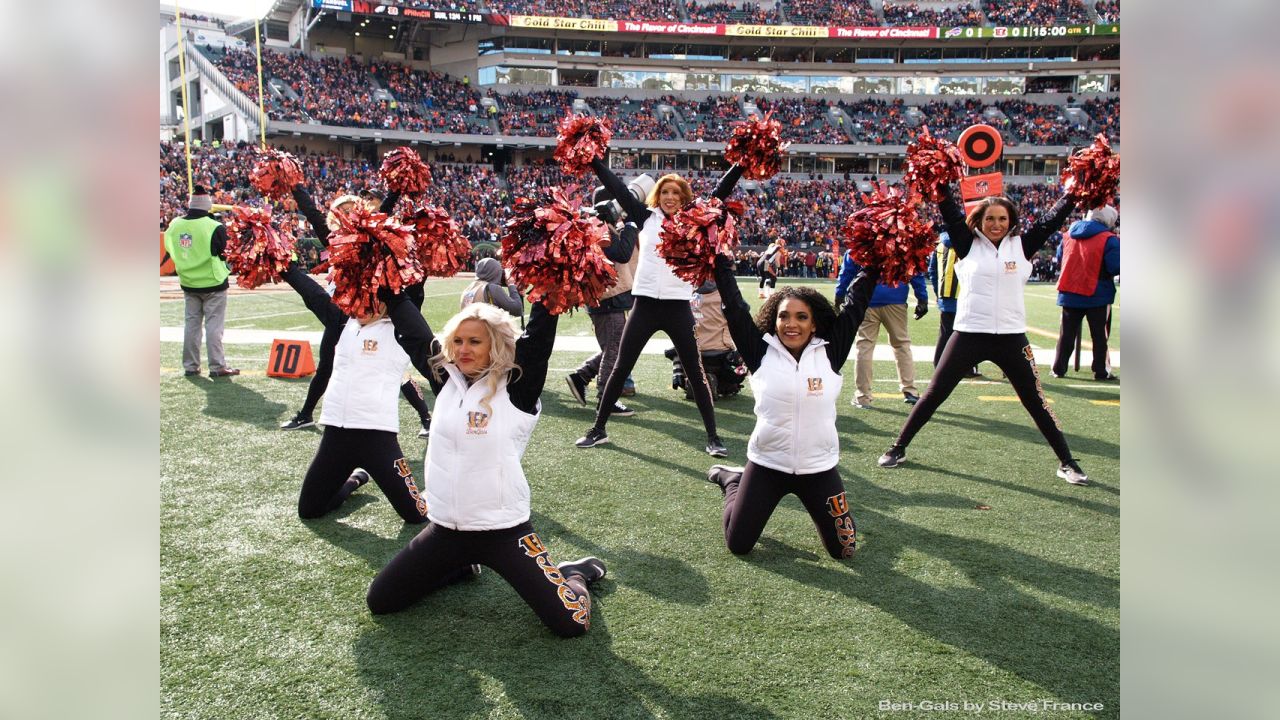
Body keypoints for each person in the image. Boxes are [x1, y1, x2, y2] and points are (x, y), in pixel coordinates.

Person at [366, 294, 607, 638]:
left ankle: (575, 574)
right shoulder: (445, 379)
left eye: (475, 341)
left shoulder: (517, 388)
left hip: (503, 531)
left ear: (495, 345)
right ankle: (457, 567)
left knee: (571, 624)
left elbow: (539, 334)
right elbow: (412, 326)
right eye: (458, 341)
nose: (463, 349)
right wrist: (383, 277)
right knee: (382, 600)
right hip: (445, 530)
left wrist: (551, 283)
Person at [876, 186, 1092, 486]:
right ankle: (898, 447)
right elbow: (951, 215)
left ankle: (1067, 462)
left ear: (1011, 221)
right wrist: (938, 186)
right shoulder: (966, 244)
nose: (996, 224)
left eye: (1002, 219)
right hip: (968, 333)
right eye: (990, 218)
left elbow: (1050, 221)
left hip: (1012, 337)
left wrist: (1072, 194)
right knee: (934, 394)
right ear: (979, 221)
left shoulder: (1022, 246)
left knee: (1036, 401)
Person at [703, 252, 876, 558]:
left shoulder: (830, 351)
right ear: (774, 318)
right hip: (768, 463)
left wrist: (875, 259)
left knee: (845, 550)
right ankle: (733, 480)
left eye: (801, 317)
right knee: (738, 544)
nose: (791, 324)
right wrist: (718, 260)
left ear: (814, 323)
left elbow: (856, 303)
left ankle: (738, 481)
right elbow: (734, 306)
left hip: (818, 468)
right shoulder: (760, 351)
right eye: (784, 316)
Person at [574, 157, 744, 457]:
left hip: (678, 307)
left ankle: (714, 438)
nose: (669, 198)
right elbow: (617, 187)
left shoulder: (695, 220)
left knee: (695, 371)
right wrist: (595, 161)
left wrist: (741, 165)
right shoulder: (645, 217)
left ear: (684, 198)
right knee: (621, 366)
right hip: (645, 305)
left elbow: (720, 191)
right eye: (665, 193)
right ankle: (597, 429)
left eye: (676, 194)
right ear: (658, 196)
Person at [278, 261, 431, 524]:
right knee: (310, 509)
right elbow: (312, 293)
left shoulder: (400, 329)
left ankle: (440, 496)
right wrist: (283, 266)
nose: (357, 304)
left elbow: (412, 289)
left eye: (366, 298)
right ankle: (354, 481)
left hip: (378, 439)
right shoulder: (342, 323)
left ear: (384, 300)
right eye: (355, 297)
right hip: (335, 435)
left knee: (416, 515)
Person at [279, 184, 434, 437]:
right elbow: (313, 214)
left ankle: (426, 418)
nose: (348, 214)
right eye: (342, 211)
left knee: (398, 371)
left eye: (352, 210)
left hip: (378, 312)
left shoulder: (368, 235)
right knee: (327, 365)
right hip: (344, 313)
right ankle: (306, 414)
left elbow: (383, 212)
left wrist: (394, 189)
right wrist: (295, 187)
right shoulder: (333, 239)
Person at [566, 213, 641, 417]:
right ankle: (606, 399)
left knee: (615, 348)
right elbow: (622, 253)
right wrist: (631, 225)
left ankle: (582, 376)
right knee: (615, 350)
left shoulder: (594, 224)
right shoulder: (599, 226)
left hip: (605, 297)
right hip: (608, 298)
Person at [834, 251, 929, 407]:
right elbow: (914, 269)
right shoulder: (901, 240)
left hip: (866, 300)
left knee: (864, 347)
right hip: (896, 298)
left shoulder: (861, 239)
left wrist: (839, 295)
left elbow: (847, 271)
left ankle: (863, 396)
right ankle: (910, 390)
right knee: (901, 345)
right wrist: (922, 297)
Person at [164, 185, 239, 378]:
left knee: (191, 325)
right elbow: (223, 253)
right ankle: (217, 366)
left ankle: (190, 366)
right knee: (214, 326)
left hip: (188, 281)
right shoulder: (214, 226)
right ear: (207, 205)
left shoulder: (175, 225)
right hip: (213, 282)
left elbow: (171, 249)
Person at [1051, 205, 1120, 380]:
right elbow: (1115, 266)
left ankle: (1059, 368)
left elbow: (1061, 258)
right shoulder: (1109, 239)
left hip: (1069, 290)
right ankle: (1101, 370)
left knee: (1066, 334)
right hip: (1097, 293)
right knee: (1099, 336)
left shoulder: (1068, 235)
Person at [928, 230, 982, 378]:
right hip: (966, 295)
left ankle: (939, 364)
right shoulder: (969, 242)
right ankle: (967, 368)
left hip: (946, 295)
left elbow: (932, 270)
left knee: (945, 333)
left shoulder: (940, 244)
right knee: (968, 334)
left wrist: (938, 290)